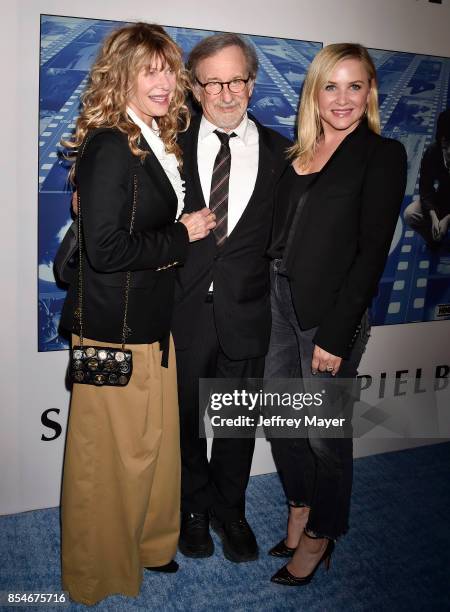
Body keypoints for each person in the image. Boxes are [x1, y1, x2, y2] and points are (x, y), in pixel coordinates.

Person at [59, 22, 214, 605]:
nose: (164, 81)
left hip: (149, 324)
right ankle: (97, 571)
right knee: (106, 458)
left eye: (169, 69)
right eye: (149, 69)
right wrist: (182, 236)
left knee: (149, 446)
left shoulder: (151, 135)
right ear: (120, 74)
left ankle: (149, 545)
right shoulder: (107, 142)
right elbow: (104, 248)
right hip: (110, 331)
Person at [264, 43, 407, 586]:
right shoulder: (295, 153)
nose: (342, 98)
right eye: (331, 85)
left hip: (329, 313)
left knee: (324, 434)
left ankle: (323, 533)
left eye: (355, 86)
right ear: (314, 92)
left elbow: (372, 251)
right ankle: (299, 506)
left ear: (370, 92)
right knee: (283, 421)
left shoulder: (382, 153)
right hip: (277, 302)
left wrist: (339, 331)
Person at [171, 33, 290, 562]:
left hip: (247, 313)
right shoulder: (164, 142)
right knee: (184, 420)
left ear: (252, 82)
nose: (225, 92)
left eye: (236, 79)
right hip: (182, 311)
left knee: (237, 424)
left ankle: (231, 509)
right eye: (212, 82)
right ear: (195, 89)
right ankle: (193, 509)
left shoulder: (283, 153)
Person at [404, 108, 450, 249]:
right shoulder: (432, 152)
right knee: (410, 214)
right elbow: (425, 188)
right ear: (442, 141)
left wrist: (448, 219)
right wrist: (434, 217)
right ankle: (435, 237)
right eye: (447, 145)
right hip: (443, 198)